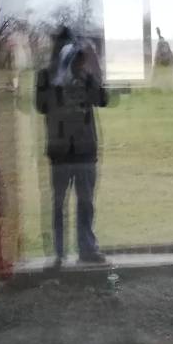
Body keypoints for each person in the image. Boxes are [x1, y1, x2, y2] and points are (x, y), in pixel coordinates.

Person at [35, 26, 109, 266]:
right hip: (60, 151)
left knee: (86, 202)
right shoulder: (46, 76)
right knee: (58, 204)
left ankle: (87, 249)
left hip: (85, 149)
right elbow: (41, 106)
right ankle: (58, 253)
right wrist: (59, 79)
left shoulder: (86, 74)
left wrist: (92, 69)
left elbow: (103, 100)